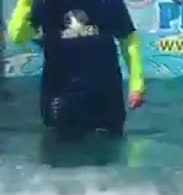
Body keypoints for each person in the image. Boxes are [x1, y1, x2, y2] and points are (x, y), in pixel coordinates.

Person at [8, 0, 144, 140]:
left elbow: (128, 39)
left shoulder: (107, 2)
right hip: (61, 95)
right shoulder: (44, 3)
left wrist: (136, 85)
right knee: (60, 153)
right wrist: (26, 3)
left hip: (105, 92)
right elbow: (18, 36)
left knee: (112, 151)